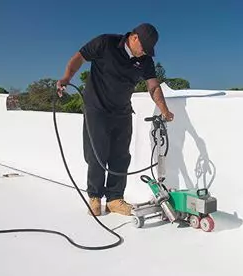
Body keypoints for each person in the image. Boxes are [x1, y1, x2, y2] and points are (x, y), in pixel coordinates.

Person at [57, 23, 176, 216]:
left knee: (121, 156)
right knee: (97, 154)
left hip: (122, 110)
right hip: (96, 108)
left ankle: (114, 199)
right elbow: (79, 57)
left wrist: (164, 110)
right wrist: (66, 77)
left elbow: (153, 86)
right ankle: (95, 197)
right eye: (143, 47)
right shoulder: (106, 43)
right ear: (134, 37)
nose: (144, 52)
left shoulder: (145, 60)